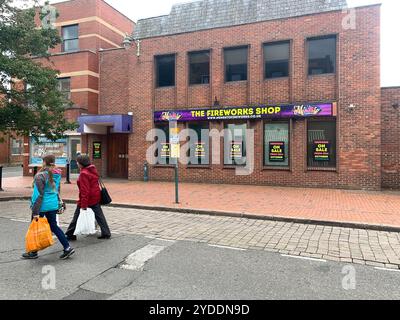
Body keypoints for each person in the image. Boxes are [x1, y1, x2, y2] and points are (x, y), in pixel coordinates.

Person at [22, 155, 75, 260]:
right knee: (54, 227)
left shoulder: (40, 176)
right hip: (53, 204)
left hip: (41, 206)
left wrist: (35, 211)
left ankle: (33, 252)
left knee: (35, 228)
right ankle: (67, 247)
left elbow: (38, 195)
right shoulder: (57, 174)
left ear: (44, 162)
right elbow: (57, 190)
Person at [65, 154, 111, 240]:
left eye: (78, 162)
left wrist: (83, 205)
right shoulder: (92, 170)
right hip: (96, 196)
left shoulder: (84, 173)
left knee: (77, 215)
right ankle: (106, 232)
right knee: (99, 216)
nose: (77, 164)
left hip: (87, 198)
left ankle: (70, 234)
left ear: (81, 163)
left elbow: (85, 191)